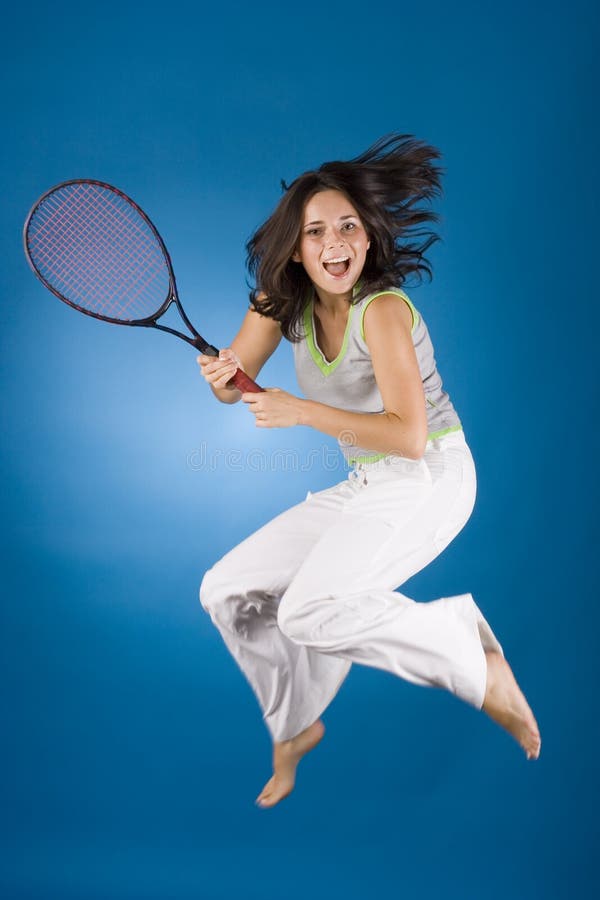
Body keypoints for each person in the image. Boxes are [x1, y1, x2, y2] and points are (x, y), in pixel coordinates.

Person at [196, 133, 541, 809]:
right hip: (369, 483)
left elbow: (410, 438)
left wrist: (301, 413)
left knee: (310, 610)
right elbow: (233, 383)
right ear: (295, 248)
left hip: (432, 475)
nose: (335, 243)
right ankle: (295, 724)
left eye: (348, 226)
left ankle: (472, 657)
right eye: (316, 231)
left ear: (368, 235)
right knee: (226, 590)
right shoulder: (278, 303)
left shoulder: (381, 310)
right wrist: (219, 377)